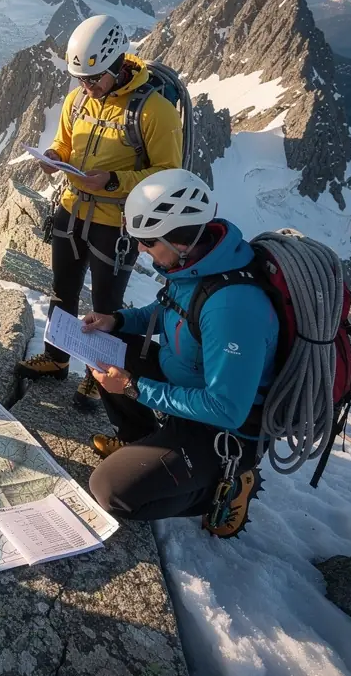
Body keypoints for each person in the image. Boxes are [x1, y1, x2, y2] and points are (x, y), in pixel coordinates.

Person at [83, 169, 279, 537]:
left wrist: (133, 388)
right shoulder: (194, 264)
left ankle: (229, 484)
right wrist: (116, 321)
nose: (141, 249)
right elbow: (166, 312)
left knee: (111, 491)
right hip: (187, 382)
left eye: (148, 240)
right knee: (106, 348)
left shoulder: (232, 307)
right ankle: (141, 442)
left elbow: (226, 408)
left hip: (224, 430)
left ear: (182, 240)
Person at [16, 14, 183, 406]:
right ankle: (56, 359)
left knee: (106, 305)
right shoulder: (78, 101)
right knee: (62, 291)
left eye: (93, 79)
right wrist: (55, 157)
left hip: (115, 223)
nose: (86, 87)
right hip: (71, 210)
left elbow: (168, 176)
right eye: (80, 80)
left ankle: (97, 375)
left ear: (116, 65)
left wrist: (111, 181)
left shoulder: (154, 111)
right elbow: (64, 142)